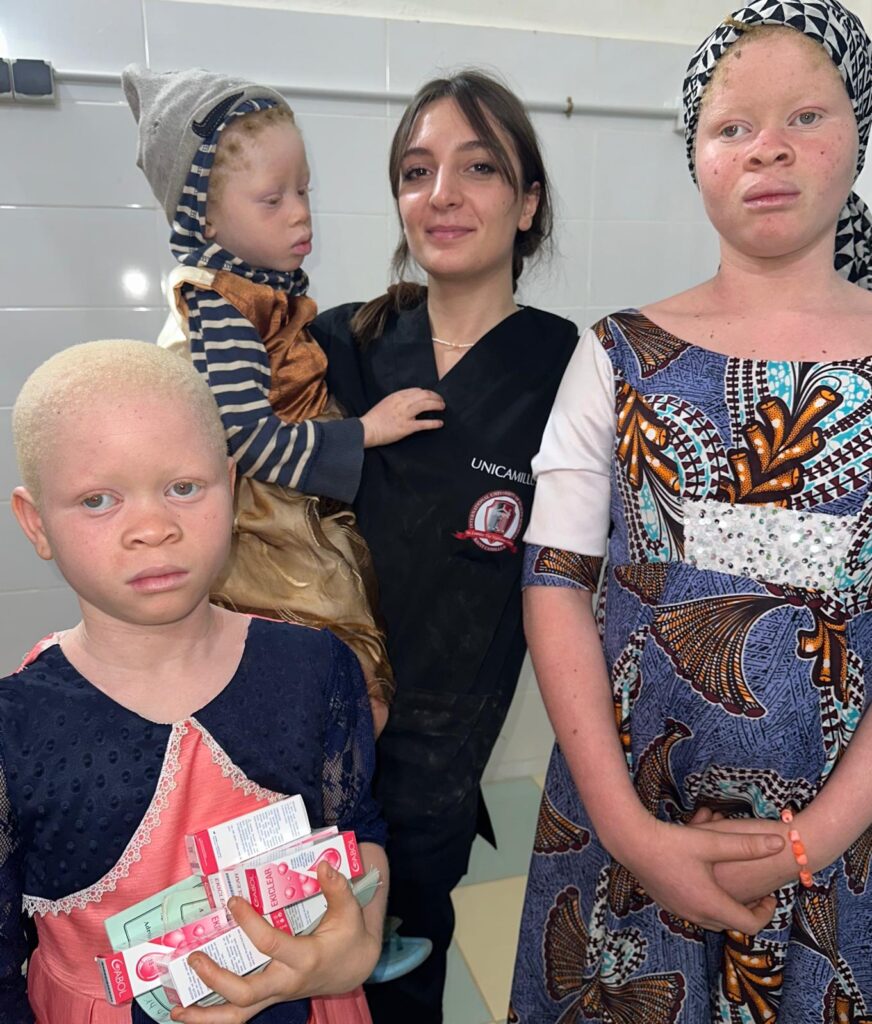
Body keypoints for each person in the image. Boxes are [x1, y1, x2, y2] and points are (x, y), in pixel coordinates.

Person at [510, 2, 872, 1020]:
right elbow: (553, 582)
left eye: (805, 117)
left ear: (858, 132)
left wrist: (817, 838)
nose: (767, 148)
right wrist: (631, 834)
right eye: (731, 126)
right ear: (695, 156)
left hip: (846, 837)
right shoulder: (616, 355)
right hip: (627, 821)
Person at [0, 340, 388, 1024]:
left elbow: (357, 831)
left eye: (183, 488)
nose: (153, 528)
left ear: (230, 489)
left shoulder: (316, 668)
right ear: (37, 523)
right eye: (98, 500)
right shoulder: (16, 728)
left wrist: (357, 946)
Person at [308, 70, 579, 1022]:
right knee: (287, 972)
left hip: (437, 758)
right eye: (417, 171)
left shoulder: (569, 369)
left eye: (479, 168)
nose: (442, 195)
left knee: (399, 979)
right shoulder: (339, 345)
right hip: (302, 731)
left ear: (527, 202)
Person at [121, 65, 447, 736]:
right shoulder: (224, 309)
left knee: (343, 683)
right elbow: (250, 440)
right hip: (267, 530)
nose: (300, 212)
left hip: (290, 510)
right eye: (272, 199)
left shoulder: (257, 294)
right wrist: (367, 431)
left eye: (303, 190)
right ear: (205, 217)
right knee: (348, 677)